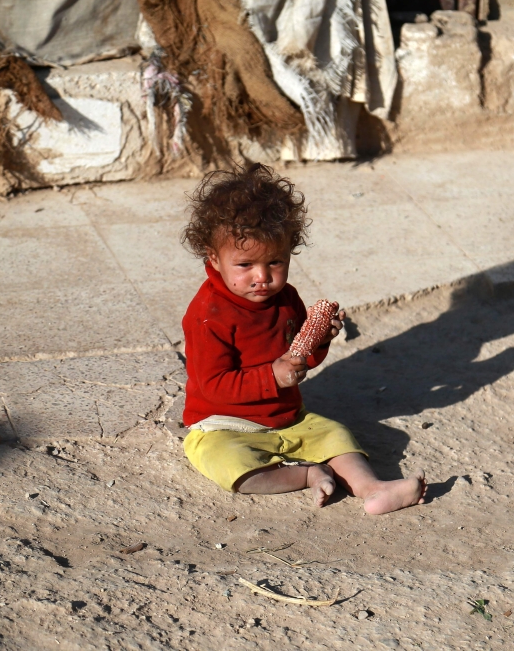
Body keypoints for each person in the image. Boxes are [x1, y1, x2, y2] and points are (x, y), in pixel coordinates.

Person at [180, 163, 426, 515]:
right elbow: (213, 385)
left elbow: (299, 361)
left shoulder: (286, 298)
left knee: (337, 436)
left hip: (287, 416)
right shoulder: (208, 315)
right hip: (223, 423)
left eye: (276, 262)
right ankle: (306, 474)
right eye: (245, 265)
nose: (262, 277)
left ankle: (372, 489)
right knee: (230, 467)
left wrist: (318, 341)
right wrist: (272, 377)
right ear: (214, 257)